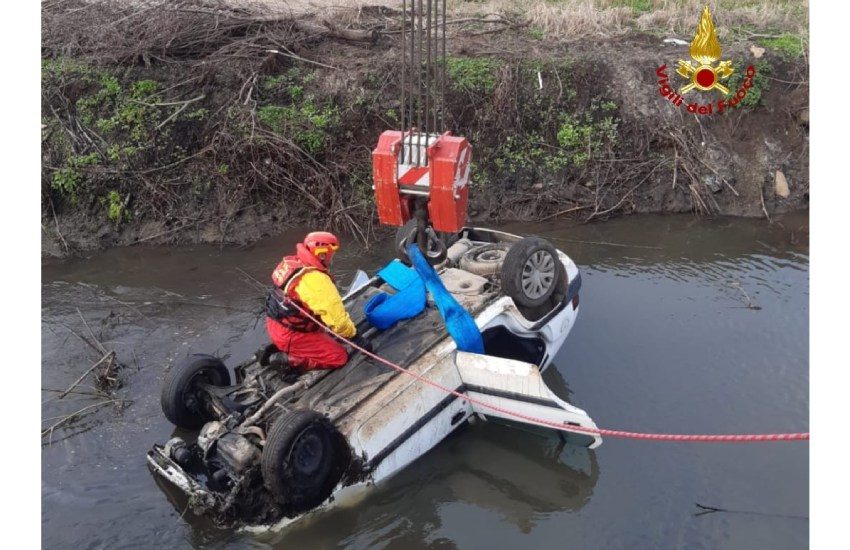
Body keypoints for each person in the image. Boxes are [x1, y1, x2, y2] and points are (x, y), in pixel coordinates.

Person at [262, 231, 360, 371]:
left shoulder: (295, 263)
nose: (332, 258)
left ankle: (289, 347)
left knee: (330, 335)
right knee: (339, 357)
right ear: (321, 254)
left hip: (279, 325)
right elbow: (338, 321)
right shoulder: (315, 280)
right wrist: (355, 337)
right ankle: (288, 360)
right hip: (292, 334)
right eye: (331, 254)